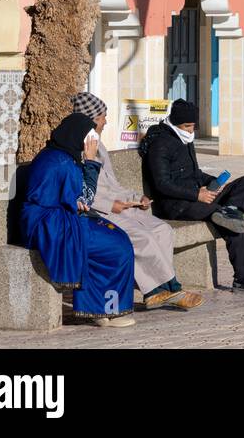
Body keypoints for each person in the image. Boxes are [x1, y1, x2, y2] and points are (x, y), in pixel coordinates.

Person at [70, 92, 202, 311]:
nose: (106, 121)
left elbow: (113, 186)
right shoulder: (76, 150)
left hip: (120, 208)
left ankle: (161, 292)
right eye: (103, 117)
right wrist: (110, 205)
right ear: (92, 119)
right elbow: (77, 192)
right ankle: (166, 290)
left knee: (162, 229)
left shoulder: (98, 146)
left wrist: (135, 198)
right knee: (142, 238)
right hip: (98, 213)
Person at [20, 112, 137, 327]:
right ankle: (104, 309)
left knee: (115, 237)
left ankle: (99, 308)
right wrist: (91, 160)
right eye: (89, 139)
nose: (92, 143)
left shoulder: (62, 155)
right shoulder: (62, 162)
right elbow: (86, 198)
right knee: (116, 247)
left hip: (56, 218)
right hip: (49, 225)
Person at [140, 99, 244, 293]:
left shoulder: (185, 139)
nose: (191, 131)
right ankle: (243, 277)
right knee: (226, 219)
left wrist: (213, 182)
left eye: (193, 126)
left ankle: (230, 209)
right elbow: (161, 184)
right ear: (175, 123)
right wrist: (196, 195)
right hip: (176, 204)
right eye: (187, 126)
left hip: (198, 195)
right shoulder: (161, 143)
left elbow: (195, 173)